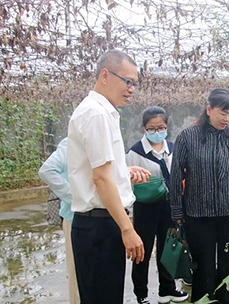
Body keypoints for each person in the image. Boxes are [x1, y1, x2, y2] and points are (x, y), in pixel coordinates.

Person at [67, 49, 151, 304]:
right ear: (105, 75)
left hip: (100, 223)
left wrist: (123, 173)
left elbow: (99, 170)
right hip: (100, 225)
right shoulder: (96, 114)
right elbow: (101, 179)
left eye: (135, 83)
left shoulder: (101, 111)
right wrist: (127, 228)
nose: (132, 89)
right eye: (128, 81)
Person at [170, 88, 229, 304]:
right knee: (203, 267)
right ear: (209, 109)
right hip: (198, 215)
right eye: (223, 113)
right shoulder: (187, 137)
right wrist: (177, 212)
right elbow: (175, 177)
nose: (227, 119)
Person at [126, 106, 188, 304]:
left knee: (167, 248)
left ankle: (167, 289)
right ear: (145, 129)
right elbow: (126, 183)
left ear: (166, 126)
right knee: (141, 251)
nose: (156, 132)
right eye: (152, 128)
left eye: (160, 127)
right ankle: (141, 293)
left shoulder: (172, 148)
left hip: (169, 206)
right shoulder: (136, 152)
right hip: (146, 207)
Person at [38, 138, 80, 304]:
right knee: (77, 272)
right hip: (74, 217)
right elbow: (47, 170)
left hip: (102, 217)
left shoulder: (103, 141)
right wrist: (74, 197)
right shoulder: (70, 144)